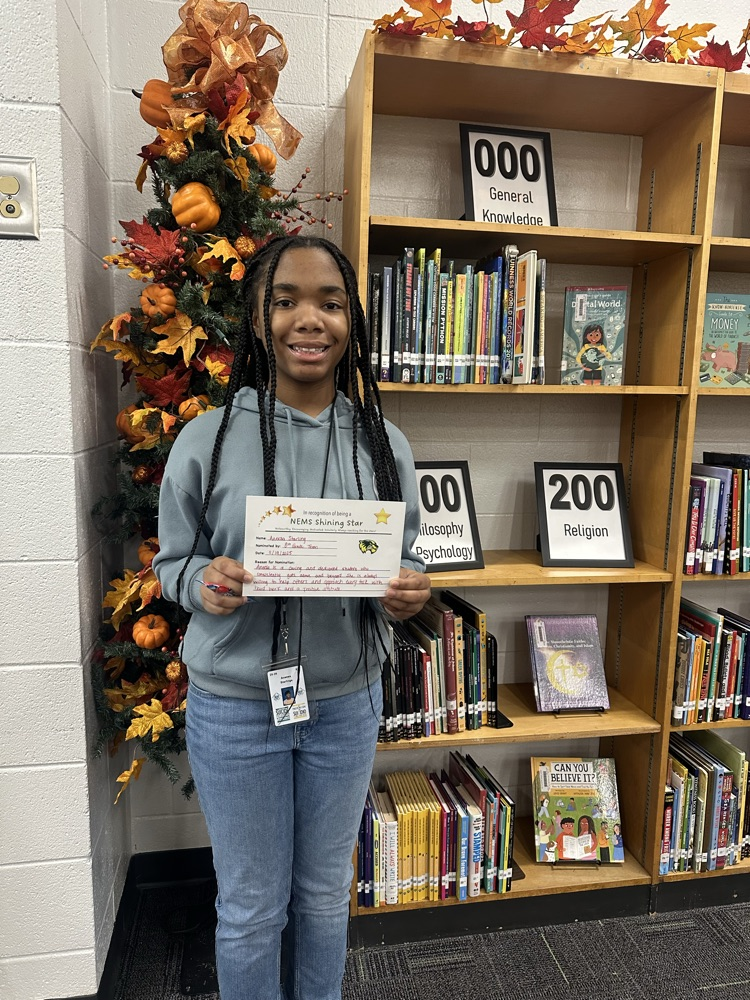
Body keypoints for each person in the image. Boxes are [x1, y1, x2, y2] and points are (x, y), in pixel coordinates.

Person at [152, 234, 431, 1000]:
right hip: (237, 708)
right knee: (250, 907)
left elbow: (407, 558)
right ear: (257, 319)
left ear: (352, 322)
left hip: (346, 704)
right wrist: (201, 581)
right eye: (286, 301)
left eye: (330, 303)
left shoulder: (383, 443)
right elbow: (172, 563)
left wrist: (411, 590)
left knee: (324, 894)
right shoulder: (207, 439)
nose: (309, 319)